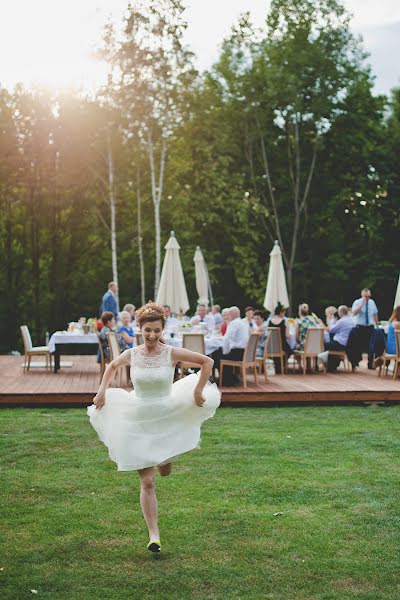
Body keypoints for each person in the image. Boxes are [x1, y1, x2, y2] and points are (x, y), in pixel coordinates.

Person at [87, 302, 221, 554]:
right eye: (147, 330)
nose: (151, 335)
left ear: (162, 329)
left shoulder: (170, 353)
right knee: (147, 482)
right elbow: (112, 366)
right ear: (140, 328)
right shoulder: (132, 354)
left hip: (167, 414)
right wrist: (102, 391)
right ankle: (154, 535)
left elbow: (207, 362)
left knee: (165, 469)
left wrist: (198, 390)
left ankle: (164, 457)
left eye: (156, 330)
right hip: (138, 417)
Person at [210, 306, 249, 386]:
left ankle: (226, 379)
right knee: (219, 352)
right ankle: (231, 377)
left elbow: (227, 339)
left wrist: (225, 352)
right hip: (243, 352)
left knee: (215, 354)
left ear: (231, 314)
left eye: (228, 314)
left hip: (237, 353)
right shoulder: (242, 322)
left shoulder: (234, 323)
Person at [352, 288, 379, 368]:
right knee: (358, 345)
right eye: (366, 296)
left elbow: (375, 313)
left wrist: (377, 324)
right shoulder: (357, 302)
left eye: (369, 296)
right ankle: (356, 361)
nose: (367, 298)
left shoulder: (372, 302)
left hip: (370, 326)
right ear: (362, 295)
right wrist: (361, 304)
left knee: (371, 346)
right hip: (360, 326)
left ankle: (370, 363)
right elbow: (354, 313)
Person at [323, 305, 354, 372]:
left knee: (323, 345)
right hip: (347, 344)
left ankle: (328, 365)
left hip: (339, 344)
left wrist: (333, 319)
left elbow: (331, 329)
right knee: (329, 344)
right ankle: (332, 365)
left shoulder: (342, 321)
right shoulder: (351, 321)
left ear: (341, 312)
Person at [267, 304, 291, 373]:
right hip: (282, 346)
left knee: (282, 348)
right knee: (290, 350)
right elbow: (287, 336)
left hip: (271, 346)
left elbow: (267, 334)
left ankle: (277, 365)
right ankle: (282, 365)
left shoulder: (270, 321)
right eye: (284, 312)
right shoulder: (285, 322)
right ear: (281, 312)